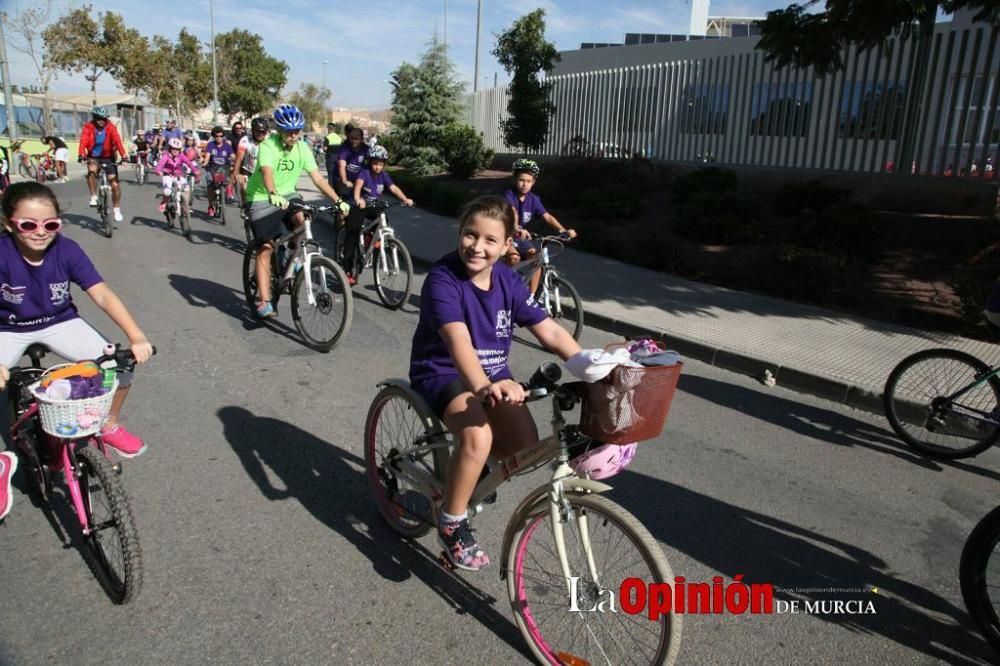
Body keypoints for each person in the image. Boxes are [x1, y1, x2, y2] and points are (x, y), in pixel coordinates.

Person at [408, 195, 582, 571]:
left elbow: (549, 330)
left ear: (507, 246)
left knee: (524, 447)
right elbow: (458, 342)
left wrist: (587, 364)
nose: (477, 246)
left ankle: (465, 473)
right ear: (460, 233)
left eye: (490, 240)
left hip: (493, 375)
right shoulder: (443, 279)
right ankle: (451, 522)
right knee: (478, 436)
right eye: (470, 235)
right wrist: (484, 387)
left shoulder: (507, 280)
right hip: (442, 371)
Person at [0, 182, 155, 524]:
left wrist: (136, 335)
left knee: (119, 366)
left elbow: (101, 294)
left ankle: (108, 424)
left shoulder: (67, 250)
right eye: (28, 225)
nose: (40, 233)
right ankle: (2, 460)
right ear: (10, 223)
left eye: (50, 225)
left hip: (59, 322)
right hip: (7, 329)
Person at [244, 104, 345, 318]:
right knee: (265, 247)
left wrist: (338, 200)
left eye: (297, 130)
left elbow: (317, 178)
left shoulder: (302, 148)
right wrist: (272, 193)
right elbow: (266, 171)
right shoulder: (268, 146)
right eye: (289, 131)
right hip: (262, 197)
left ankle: (293, 257)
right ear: (279, 130)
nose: (293, 135)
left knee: (302, 221)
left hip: (287, 194)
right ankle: (264, 300)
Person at [503, 159, 577, 294]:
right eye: (521, 180)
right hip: (506, 235)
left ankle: (531, 298)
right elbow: (512, 212)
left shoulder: (533, 199)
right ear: (515, 179)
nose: (524, 184)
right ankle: (507, 287)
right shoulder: (510, 195)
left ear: (533, 182)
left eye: (528, 181)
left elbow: (547, 216)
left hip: (521, 237)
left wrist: (563, 230)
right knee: (514, 258)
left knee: (537, 258)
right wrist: (517, 228)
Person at [343, 145, 413, 285]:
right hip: (358, 206)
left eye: (380, 164)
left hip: (372, 206)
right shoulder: (364, 173)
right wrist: (358, 199)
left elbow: (393, 188)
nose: (377, 167)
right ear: (370, 162)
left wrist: (405, 198)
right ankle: (348, 270)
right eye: (375, 163)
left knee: (383, 217)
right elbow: (357, 187)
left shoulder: (384, 176)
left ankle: (371, 240)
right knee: (353, 234)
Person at [77, 106, 129, 223]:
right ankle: (94, 197)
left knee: (114, 184)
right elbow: (83, 140)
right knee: (92, 171)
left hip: (108, 157)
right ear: (94, 118)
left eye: (104, 119)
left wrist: (124, 156)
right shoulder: (88, 127)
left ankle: (116, 210)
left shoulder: (110, 127)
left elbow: (117, 141)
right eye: (98, 118)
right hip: (93, 156)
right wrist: (81, 154)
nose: (101, 121)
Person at [154, 137, 201, 215]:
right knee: (167, 192)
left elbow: (189, 163)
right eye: (173, 148)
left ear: (180, 149)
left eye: (177, 149)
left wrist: (195, 170)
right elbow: (161, 164)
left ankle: (186, 205)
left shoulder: (181, 156)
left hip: (179, 175)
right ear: (169, 148)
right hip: (167, 175)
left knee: (187, 189)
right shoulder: (166, 156)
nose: (175, 151)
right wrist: (158, 171)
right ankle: (164, 202)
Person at [233, 117, 269, 214]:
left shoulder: (270, 141)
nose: (261, 134)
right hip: (248, 171)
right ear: (253, 131)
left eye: (263, 132)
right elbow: (239, 157)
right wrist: (235, 173)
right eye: (258, 131)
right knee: (245, 189)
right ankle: (244, 204)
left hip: (263, 171)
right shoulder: (245, 140)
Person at [201, 125, 234, 219]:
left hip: (223, 168)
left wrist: (236, 161)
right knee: (210, 185)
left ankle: (228, 190)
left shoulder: (227, 145)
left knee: (230, 177)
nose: (219, 138)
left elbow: (232, 156)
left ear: (223, 136)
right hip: (212, 168)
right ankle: (211, 206)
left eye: (220, 136)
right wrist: (205, 163)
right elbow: (207, 157)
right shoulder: (211, 145)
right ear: (214, 136)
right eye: (216, 136)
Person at [336, 125, 369, 199]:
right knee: (345, 203)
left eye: (356, 139)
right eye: (352, 138)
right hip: (346, 180)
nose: (354, 141)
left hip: (360, 180)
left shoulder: (366, 149)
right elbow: (342, 165)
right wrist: (345, 181)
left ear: (361, 139)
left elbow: (371, 164)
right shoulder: (344, 148)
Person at [323, 122, 343, 188]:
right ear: (334, 129)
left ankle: (331, 189)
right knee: (337, 173)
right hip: (338, 157)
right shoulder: (339, 137)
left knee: (330, 174)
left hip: (330, 157)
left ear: (328, 129)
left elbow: (325, 149)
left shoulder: (327, 137)